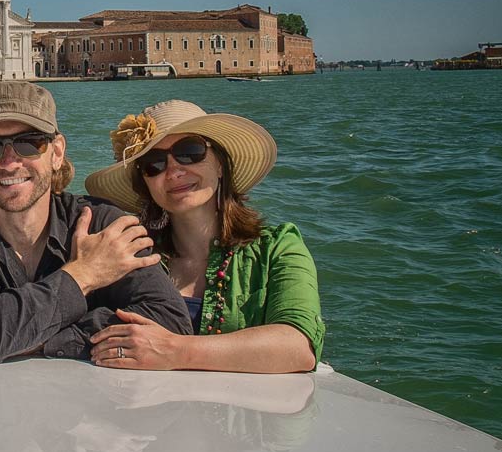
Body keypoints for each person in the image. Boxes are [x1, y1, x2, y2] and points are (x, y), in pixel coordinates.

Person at [0, 81, 190, 365]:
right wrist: (84, 274)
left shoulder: (104, 223)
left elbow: (171, 321)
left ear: (56, 153)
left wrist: (36, 340)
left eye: (29, 143)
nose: (10, 161)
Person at [83, 99, 324, 373]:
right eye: (154, 163)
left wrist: (175, 351)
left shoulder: (278, 248)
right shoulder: (128, 255)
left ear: (221, 164)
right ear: (145, 182)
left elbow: (298, 346)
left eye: (190, 152)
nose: (174, 171)